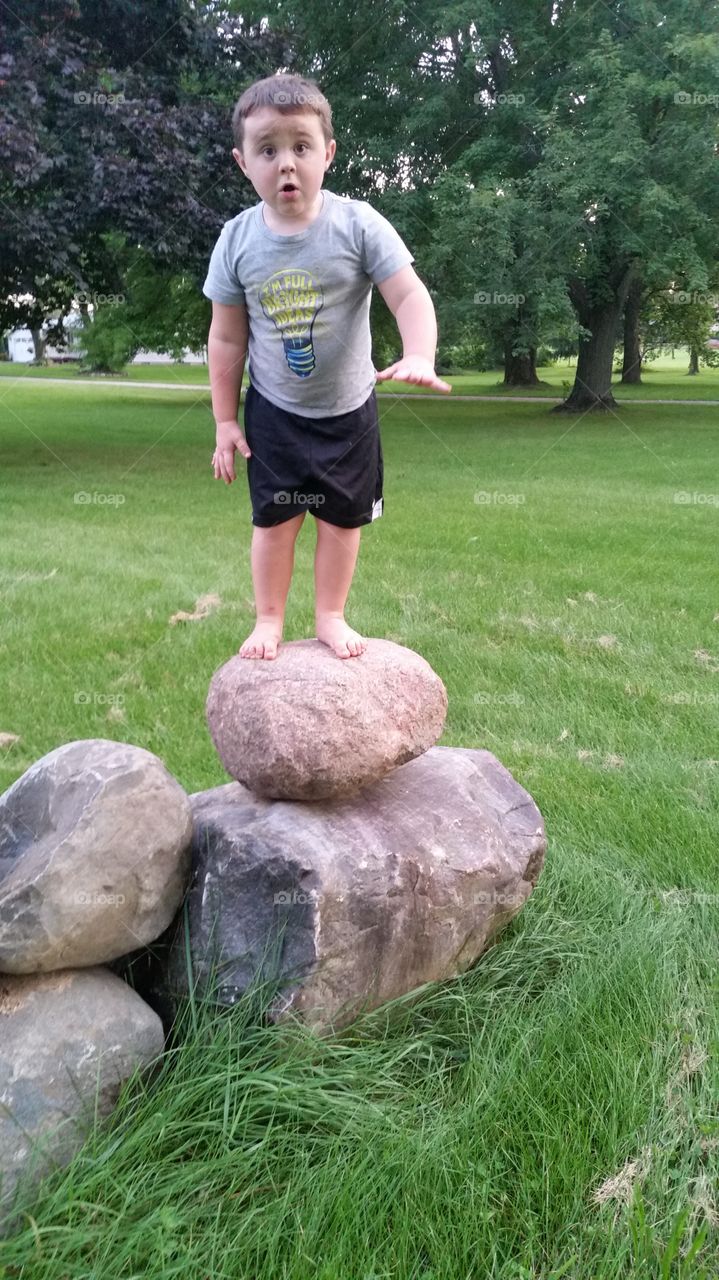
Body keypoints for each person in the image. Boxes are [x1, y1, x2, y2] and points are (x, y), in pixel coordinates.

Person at [202, 72, 451, 660]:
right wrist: (223, 421)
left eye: (301, 146)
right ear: (243, 163)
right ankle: (268, 619)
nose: (285, 163)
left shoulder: (359, 224)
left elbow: (409, 296)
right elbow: (226, 338)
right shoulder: (236, 241)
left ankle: (330, 616)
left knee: (343, 522)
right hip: (275, 413)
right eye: (268, 150)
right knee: (275, 522)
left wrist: (419, 352)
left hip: (349, 413)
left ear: (328, 153)